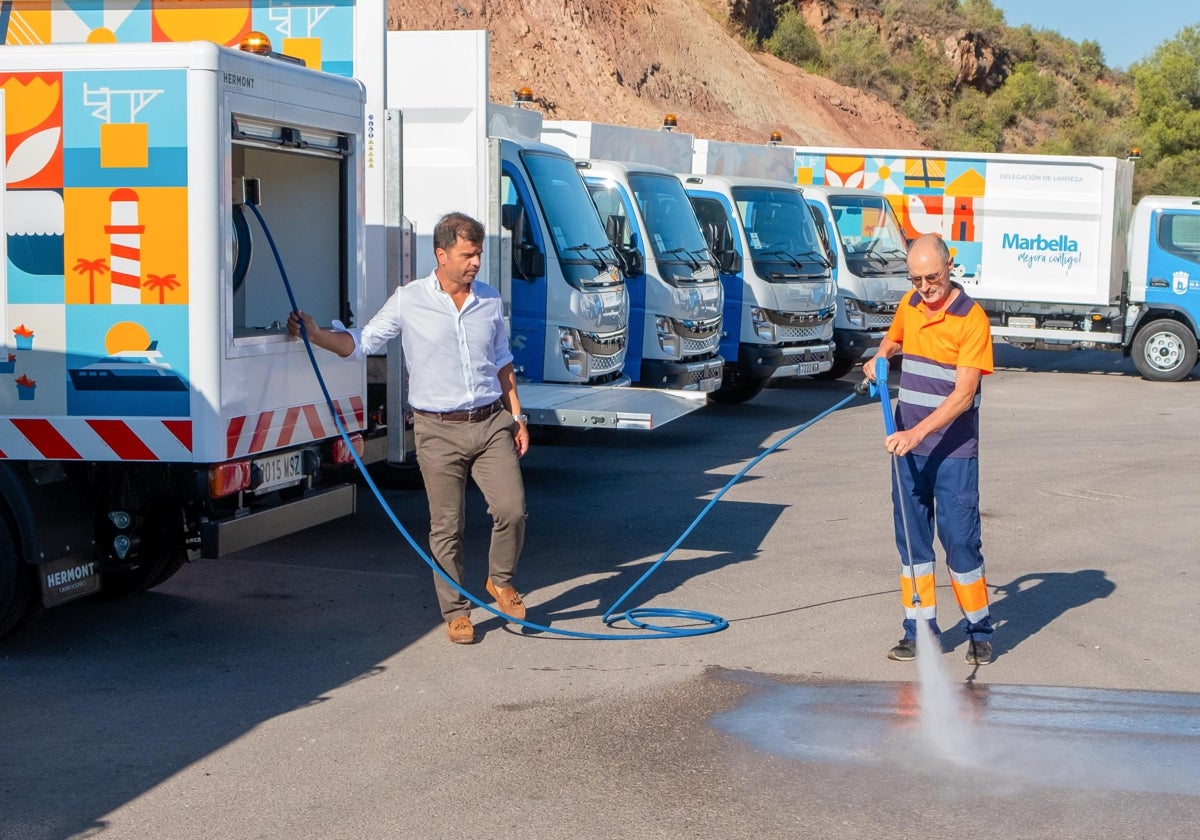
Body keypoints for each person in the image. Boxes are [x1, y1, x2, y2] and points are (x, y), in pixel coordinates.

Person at [289, 212, 530, 645]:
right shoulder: (409, 300)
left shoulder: (489, 300)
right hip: (437, 429)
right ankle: (457, 610)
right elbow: (361, 343)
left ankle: (500, 580)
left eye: (478, 254)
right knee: (447, 525)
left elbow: (502, 361)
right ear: (441, 255)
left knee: (511, 509)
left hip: (491, 421)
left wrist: (516, 415)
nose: (475, 263)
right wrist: (315, 334)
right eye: (467, 254)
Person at [863, 233, 995, 666]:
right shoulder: (910, 305)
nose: (925, 287)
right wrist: (879, 359)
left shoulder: (971, 319)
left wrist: (917, 433)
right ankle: (918, 631)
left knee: (960, 544)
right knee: (913, 545)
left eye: (932, 277)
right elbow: (893, 342)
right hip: (908, 450)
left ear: (949, 266)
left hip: (953, 453)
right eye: (916, 279)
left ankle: (978, 629)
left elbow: (962, 396)